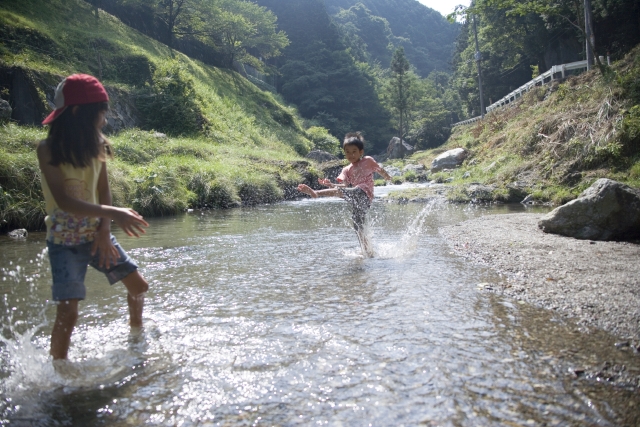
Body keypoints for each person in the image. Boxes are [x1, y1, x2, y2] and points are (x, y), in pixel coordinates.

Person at [37, 74, 150, 360]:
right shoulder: (47, 150)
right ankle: (58, 367)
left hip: (98, 236)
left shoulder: (97, 145)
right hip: (64, 241)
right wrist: (113, 213)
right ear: (77, 113)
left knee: (139, 286)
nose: (105, 117)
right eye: (101, 111)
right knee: (69, 311)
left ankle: (136, 336)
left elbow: (104, 191)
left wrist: (104, 229)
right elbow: (64, 200)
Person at [297, 132, 392, 257]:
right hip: (355, 198)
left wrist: (388, 178)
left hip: (364, 193)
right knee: (358, 226)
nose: (351, 155)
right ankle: (367, 251)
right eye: (347, 152)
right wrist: (331, 185)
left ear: (361, 152)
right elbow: (345, 186)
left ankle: (316, 193)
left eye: (354, 151)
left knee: (355, 190)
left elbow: (379, 170)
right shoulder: (346, 169)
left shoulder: (368, 160)